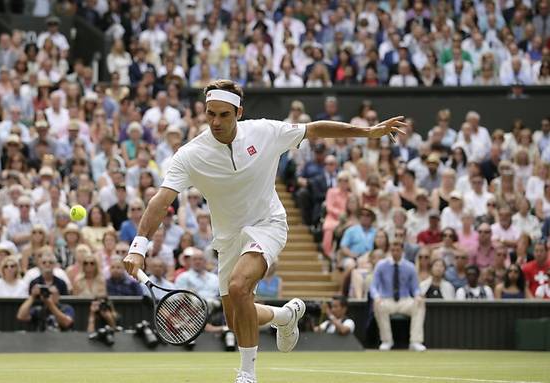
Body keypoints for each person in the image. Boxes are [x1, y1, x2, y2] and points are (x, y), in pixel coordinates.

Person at [123, 79, 406, 383]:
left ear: (239, 112)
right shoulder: (190, 155)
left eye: (224, 115)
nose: (216, 121)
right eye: (210, 114)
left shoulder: (265, 131)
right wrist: (138, 247)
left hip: (267, 224)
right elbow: (160, 201)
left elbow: (315, 129)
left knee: (239, 286)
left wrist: (367, 132)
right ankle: (285, 316)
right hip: (229, 239)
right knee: (236, 319)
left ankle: (247, 374)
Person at [371, 239, 427, 352]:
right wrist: (376, 296)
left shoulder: (410, 267)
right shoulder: (381, 265)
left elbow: (415, 288)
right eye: (393, 250)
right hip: (387, 300)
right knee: (378, 305)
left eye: (397, 250)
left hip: (404, 300)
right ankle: (386, 341)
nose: (395, 252)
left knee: (420, 304)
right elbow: (373, 286)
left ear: (402, 250)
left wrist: (417, 296)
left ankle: (415, 342)